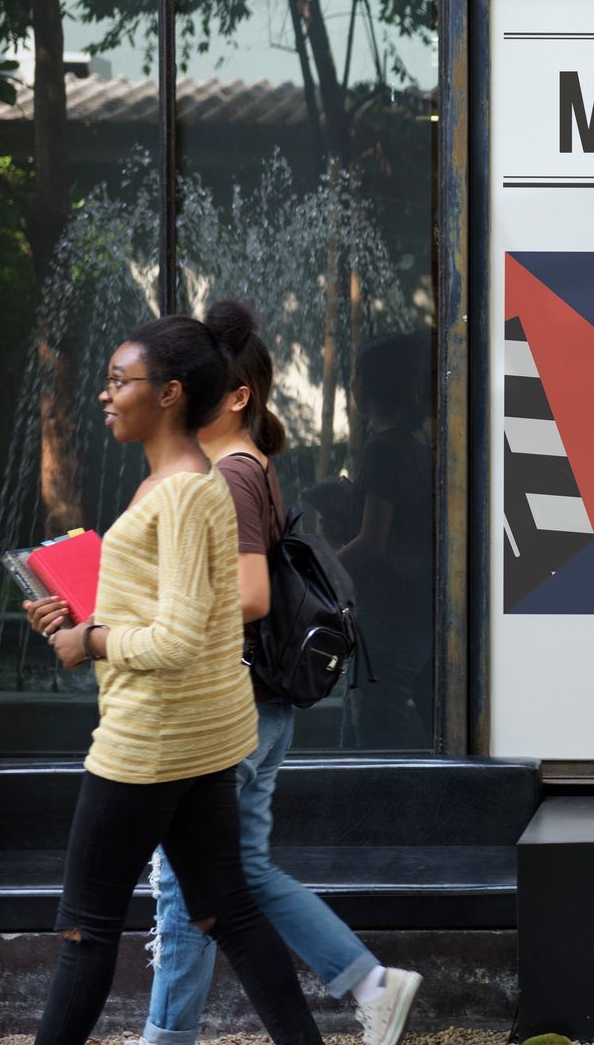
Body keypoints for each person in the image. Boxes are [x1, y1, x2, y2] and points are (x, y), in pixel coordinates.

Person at [21, 316, 321, 1045]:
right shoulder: (180, 484)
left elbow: (182, 637)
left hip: (151, 743)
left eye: (121, 381)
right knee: (230, 911)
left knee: (85, 931)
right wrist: (81, 613)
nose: (106, 394)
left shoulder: (185, 493)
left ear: (172, 393)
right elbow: (181, 609)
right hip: (199, 737)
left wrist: (89, 639)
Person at [135, 301, 422, 1045]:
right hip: (260, 708)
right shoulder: (252, 465)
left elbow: (253, 596)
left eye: (189, 387)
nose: (176, 401)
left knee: (184, 884)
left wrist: (152, 621)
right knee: (237, 872)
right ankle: (371, 983)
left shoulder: (228, 475)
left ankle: (167, 1038)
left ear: (234, 396)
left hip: (229, 708)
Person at [339, 331, 436, 749]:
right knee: (364, 724)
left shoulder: (384, 450)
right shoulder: (416, 445)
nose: (352, 383)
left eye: (356, 374)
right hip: (412, 610)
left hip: (385, 615)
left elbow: (373, 540)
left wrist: (319, 568)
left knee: (378, 730)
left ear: (371, 383)